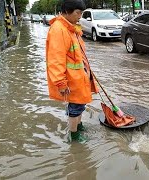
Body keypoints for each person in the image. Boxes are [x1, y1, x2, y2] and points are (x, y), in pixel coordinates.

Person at [46, 0, 98, 143]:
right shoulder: (59, 29)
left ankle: (79, 126)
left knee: (80, 104)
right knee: (75, 107)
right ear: (67, 11)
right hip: (71, 81)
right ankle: (74, 137)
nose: (80, 16)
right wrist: (61, 83)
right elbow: (55, 60)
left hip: (79, 77)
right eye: (78, 13)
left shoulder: (71, 28)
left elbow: (79, 54)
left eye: (81, 13)